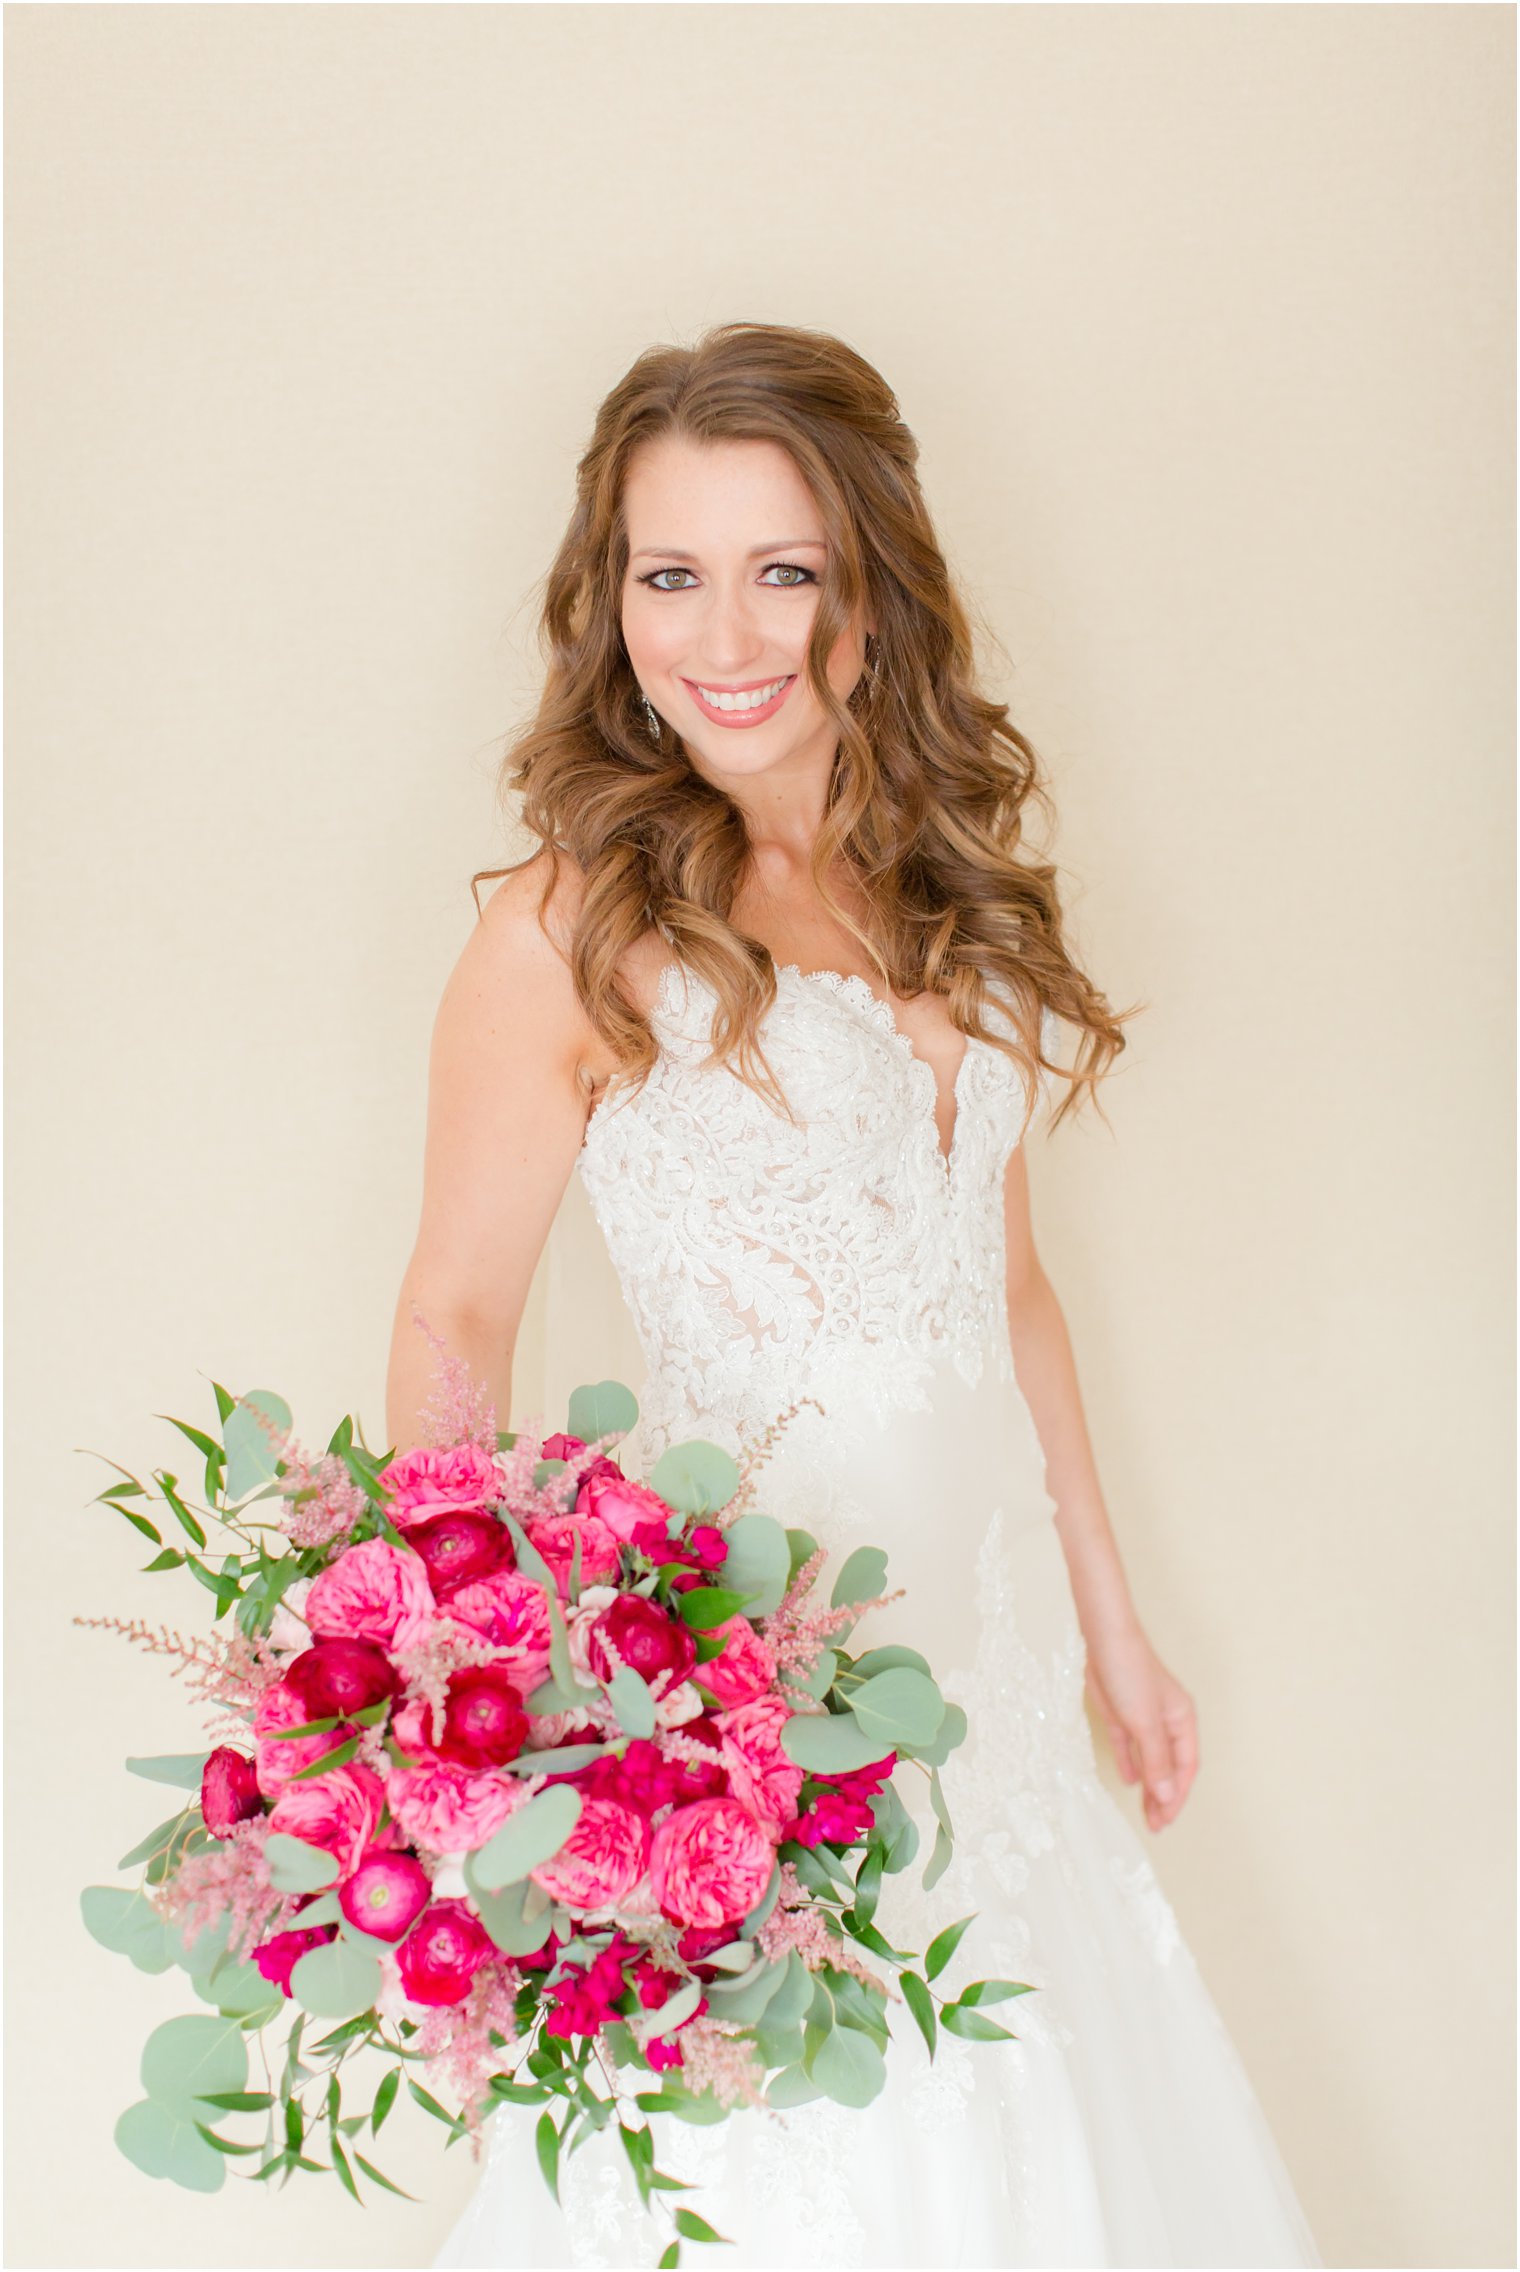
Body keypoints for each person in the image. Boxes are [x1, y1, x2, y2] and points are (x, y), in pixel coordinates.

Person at [390, 322, 1322, 2269]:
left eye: (780, 568)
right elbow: (456, 1316)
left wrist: (1110, 1623)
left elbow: (1009, 1287)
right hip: (760, 1702)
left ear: (870, 594)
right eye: (670, 573)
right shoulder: (568, 922)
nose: (721, 632)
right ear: (608, 601)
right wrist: (475, 1695)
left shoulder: (938, 886)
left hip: (999, 1708)